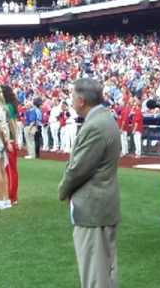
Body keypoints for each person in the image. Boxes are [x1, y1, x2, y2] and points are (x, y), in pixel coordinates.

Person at [58, 78, 121, 288]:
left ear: (82, 100)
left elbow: (77, 169)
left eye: (73, 96)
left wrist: (62, 190)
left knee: (95, 275)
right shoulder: (105, 118)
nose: (71, 100)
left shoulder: (95, 125)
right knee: (105, 271)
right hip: (103, 205)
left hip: (93, 208)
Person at [0, 86, 12, 210]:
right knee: (2, 169)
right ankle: (5, 199)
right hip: (1, 141)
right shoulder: (3, 108)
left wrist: (5, 141)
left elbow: (0, 128)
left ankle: (0, 199)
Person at [1, 85, 19, 206]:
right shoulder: (8, 106)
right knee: (6, 169)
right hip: (4, 140)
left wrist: (14, 140)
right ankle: (7, 195)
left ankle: (12, 196)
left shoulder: (8, 107)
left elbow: (12, 124)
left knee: (10, 169)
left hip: (9, 140)